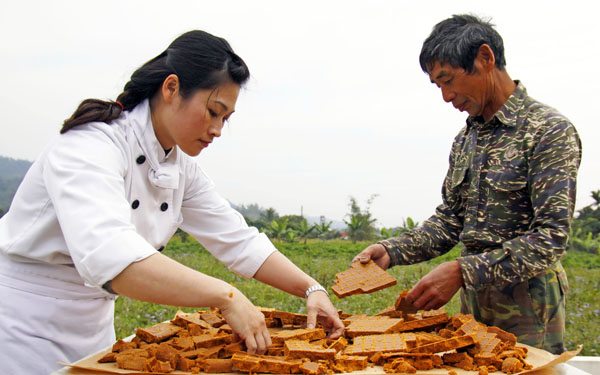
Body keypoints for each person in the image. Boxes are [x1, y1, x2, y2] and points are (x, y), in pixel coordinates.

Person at [0, 30, 344, 374]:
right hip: (24, 325)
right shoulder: (90, 146)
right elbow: (112, 258)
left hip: (93, 326)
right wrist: (226, 296)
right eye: (213, 111)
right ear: (171, 88)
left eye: (226, 119)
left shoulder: (180, 168)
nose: (218, 129)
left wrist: (310, 288)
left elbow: (239, 240)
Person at [353, 14, 581, 354]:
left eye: (449, 80)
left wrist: (462, 271)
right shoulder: (467, 139)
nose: (446, 96)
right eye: (438, 86)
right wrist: (392, 251)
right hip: (474, 302)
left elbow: (550, 238)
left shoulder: (547, 131)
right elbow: (450, 221)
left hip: (529, 306)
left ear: (485, 59)